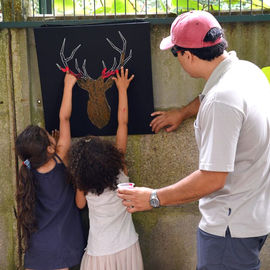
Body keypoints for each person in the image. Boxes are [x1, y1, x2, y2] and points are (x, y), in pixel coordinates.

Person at [118, 10, 270, 270]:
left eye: (176, 55)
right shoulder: (247, 72)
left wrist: (154, 197)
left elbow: (213, 177)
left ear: (187, 55)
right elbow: (210, 99)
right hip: (254, 213)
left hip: (228, 229)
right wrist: (182, 112)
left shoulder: (221, 100)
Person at [69, 67, 144, 270]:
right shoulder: (120, 167)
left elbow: (79, 205)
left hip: (100, 252)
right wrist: (122, 89)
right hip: (127, 246)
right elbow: (123, 123)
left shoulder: (83, 183)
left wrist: (78, 181)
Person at [15, 73, 85, 270]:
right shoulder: (60, 159)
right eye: (47, 135)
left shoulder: (28, 173)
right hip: (63, 247)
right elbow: (65, 117)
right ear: (49, 148)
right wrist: (68, 84)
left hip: (38, 250)